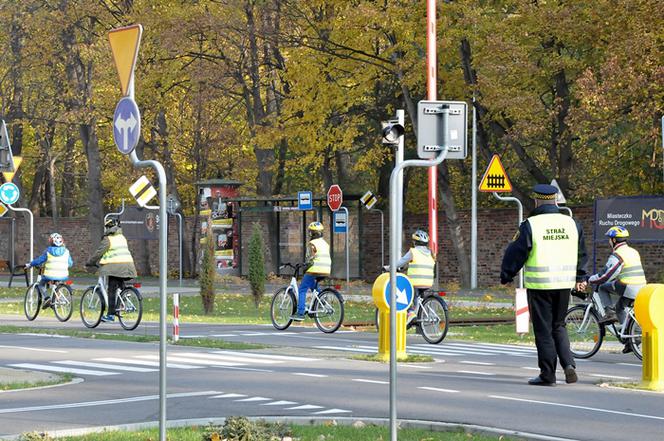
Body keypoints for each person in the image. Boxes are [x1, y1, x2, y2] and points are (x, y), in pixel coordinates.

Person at [500, 184, 588, 386]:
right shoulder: (572, 224)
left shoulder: (531, 224)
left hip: (540, 286)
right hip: (564, 285)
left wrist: (507, 274)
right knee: (559, 325)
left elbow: (516, 252)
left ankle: (548, 375)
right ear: (556, 200)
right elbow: (581, 253)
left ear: (537, 200)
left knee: (543, 330)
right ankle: (569, 365)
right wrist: (581, 277)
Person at [585, 226, 646, 353]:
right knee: (620, 307)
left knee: (602, 287)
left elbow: (607, 275)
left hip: (629, 286)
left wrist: (590, 279)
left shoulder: (618, 254)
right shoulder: (633, 251)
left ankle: (608, 313)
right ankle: (630, 340)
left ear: (613, 240)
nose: (608, 242)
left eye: (609, 239)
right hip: (641, 286)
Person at [86, 218, 137, 322]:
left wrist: (90, 262)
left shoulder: (108, 239)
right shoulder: (122, 237)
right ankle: (124, 301)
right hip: (129, 266)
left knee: (111, 289)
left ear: (107, 227)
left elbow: (98, 252)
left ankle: (110, 315)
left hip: (115, 267)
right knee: (120, 283)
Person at [291, 221, 331, 321]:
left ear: (312, 233)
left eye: (310, 232)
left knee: (302, 289)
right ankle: (321, 303)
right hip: (326, 269)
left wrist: (304, 265)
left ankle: (300, 313)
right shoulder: (325, 244)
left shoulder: (312, 243)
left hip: (315, 269)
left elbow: (309, 258)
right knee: (313, 286)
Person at [396, 229, 435, 324]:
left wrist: (388, 267)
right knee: (417, 298)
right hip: (428, 282)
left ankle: (410, 313)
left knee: (403, 292)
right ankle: (417, 312)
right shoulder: (431, 253)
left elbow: (401, 262)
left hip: (415, 282)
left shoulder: (413, 252)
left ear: (414, 242)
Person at [25, 233, 73, 309]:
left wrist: (30, 264)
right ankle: (57, 298)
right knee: (57, 283)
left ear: (51, 241)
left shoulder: (48, 251)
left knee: (41, 284)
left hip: (49, 275)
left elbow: (39, 260)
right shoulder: (66, 251)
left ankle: (47, 298)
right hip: (64, 276)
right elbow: (70, 264)